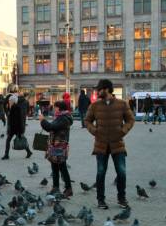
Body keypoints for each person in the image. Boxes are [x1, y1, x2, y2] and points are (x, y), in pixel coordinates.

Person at [84, 79, 135, 210]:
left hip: (117, 144)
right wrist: (94, 131)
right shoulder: (94, 106)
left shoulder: (122, 104)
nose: (97, 91)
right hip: (101, 145)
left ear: (107, 89)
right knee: (101, 173)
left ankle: (121, 198)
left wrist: (123, 131)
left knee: (121, 172)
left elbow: (130, 119)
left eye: (99, 89)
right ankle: (101, 200)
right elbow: (87, 121)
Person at [39, 101, 73, 199]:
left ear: (59, 108)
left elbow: (50, 127)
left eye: (55, 107)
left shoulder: (64, 118)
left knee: (62, 167)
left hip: (60, 146)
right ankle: (55, 187)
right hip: (55, 145)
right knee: (54, 166)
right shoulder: (60, 117)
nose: (54, 109)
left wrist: (42, 120)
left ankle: (68, 189)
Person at [2, 94, 32, 160]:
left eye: (10, 101)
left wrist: (20, 130)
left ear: (14, 101)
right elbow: (9, 117)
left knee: (21, 140)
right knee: (8, 141)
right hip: (12, 128)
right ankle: (6, 155)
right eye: (9, 101)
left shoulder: (17, 108)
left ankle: (28, 151)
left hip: (17, 129)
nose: (9, 102)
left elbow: (20, 120)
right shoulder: (9, 108)